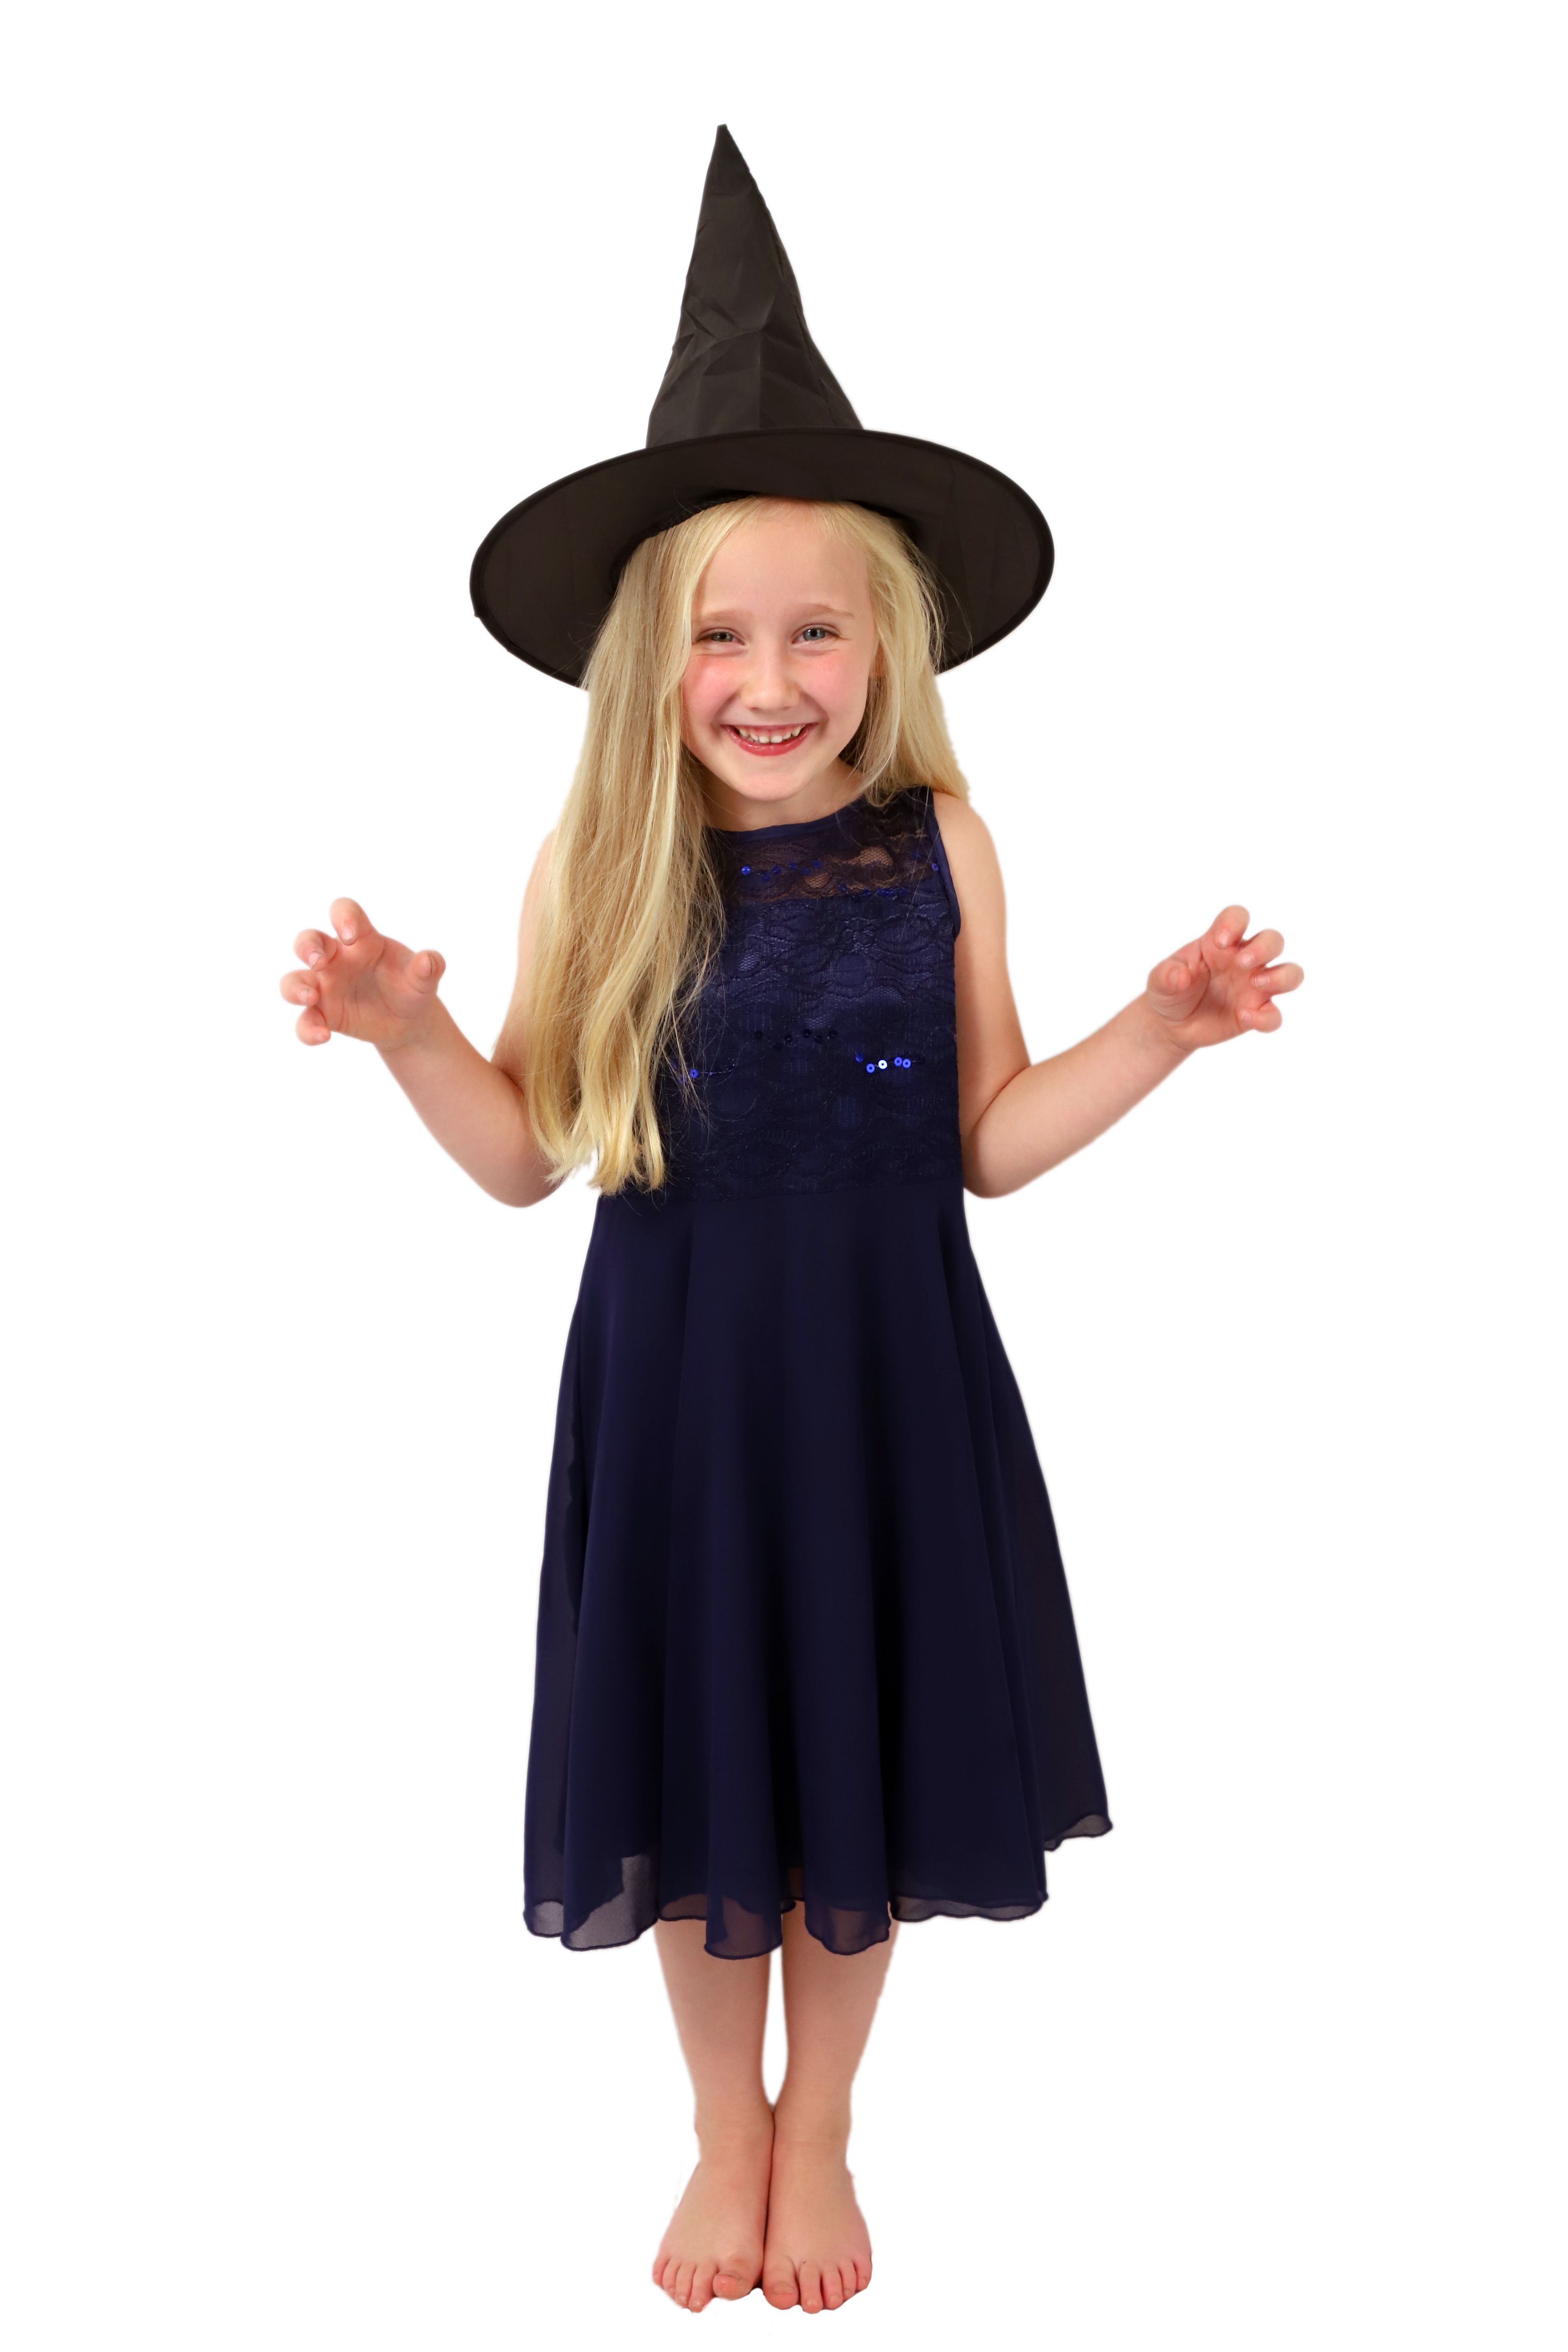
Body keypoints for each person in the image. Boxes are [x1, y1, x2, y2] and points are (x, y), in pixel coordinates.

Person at [279, 132, 1303, 2318]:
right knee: (696, 1751)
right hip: (674, 1400)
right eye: (721, 633)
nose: (771, 675)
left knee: (856, 1752)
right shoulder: (598, 869)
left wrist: (1163, 1027)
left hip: (884, 1386)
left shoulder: (939, 843)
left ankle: (820, 2119)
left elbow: (994, 1139)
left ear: (885, 640)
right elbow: (524, 1157)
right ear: (647, 659)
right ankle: (716, 2122)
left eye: (815, 627)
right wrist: (404, 1033)